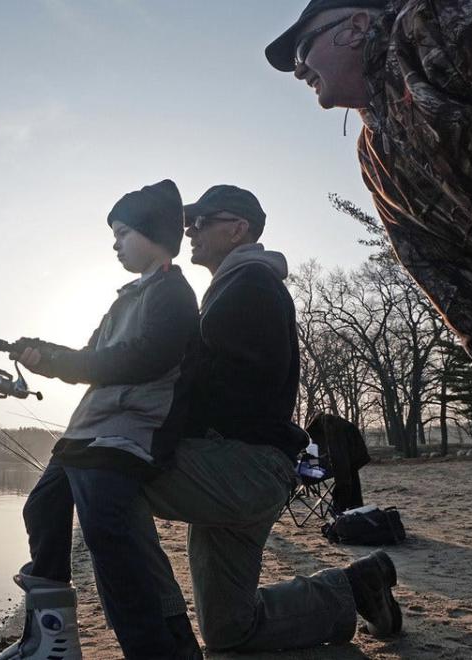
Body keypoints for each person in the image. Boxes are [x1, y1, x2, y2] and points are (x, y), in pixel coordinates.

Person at [266, 1, 472, 657]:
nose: (297, 67)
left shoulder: (435, 24)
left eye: (304, 47)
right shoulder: (376, 154)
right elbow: (435, 268)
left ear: (354, 24)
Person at [131, 185, 403, 653]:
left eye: (201, 222)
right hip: (238, 465)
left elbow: (225, 390)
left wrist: (140, 394)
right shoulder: (234, 287)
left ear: (237, 229)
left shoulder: (249, 286)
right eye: (186, 223)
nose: (189, 231)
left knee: (111, 474)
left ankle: (161, 630)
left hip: (242, 468)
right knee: (230, 629)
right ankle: (356, 586)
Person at [0, 179, 200, 660]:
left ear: (151, 234)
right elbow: (93, 357)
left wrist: (68, 362)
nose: (115, 243)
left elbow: (141, 358)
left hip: (129, 435)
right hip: (87, 433)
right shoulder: (125, 297)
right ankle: (51, 642)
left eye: (123, 232)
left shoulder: (174, 293)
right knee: (42, 509)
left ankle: (155, 651)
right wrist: (46, 356)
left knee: (110, 539)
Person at [306, 412, 370, 513]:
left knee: (345, 481)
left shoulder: (330, 428)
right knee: (351, 480)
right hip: (355, 453)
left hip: (352, 455)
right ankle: (354, 508)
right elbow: (329, 454)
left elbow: (338, 457)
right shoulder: (329, 424)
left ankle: (344, 510)